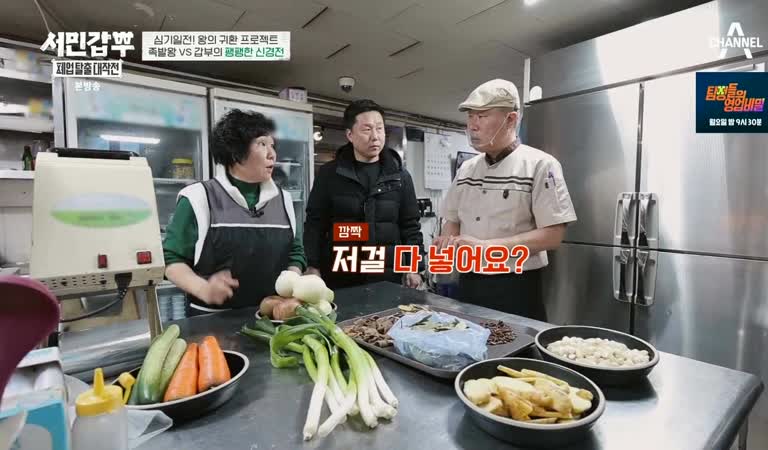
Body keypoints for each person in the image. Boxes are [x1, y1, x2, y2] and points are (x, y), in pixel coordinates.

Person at [434, 79, 577, 320]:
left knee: (516, 344)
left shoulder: (540, 165)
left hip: (516, 286)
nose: (472, 125)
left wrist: (487, 248)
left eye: (482, 116)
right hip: (468, 283)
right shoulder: (467, 169)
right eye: (470, 116)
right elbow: (452, 220)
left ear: (511, 119)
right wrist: (448, 246)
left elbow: (553, 235)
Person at [163, 109, 306, 315]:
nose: (272, 154)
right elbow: (171, 259)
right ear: (236, 152)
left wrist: (291, 283)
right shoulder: (198, 197)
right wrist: (204, 289)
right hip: (211, 320)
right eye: (262, 144)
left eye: (272, 145)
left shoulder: (283, 199)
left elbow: (295, 252)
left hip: (272, 317)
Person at [304, 99, 424, 289]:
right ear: (350, 135)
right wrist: (313, 265)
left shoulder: (400, 176)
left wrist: (413, 267)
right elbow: (315, 224)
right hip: (341, 275)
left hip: (386, 276)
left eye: (379, 128)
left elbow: (410, 226)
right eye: (367, 129)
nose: (375, 136)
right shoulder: (330, 174)